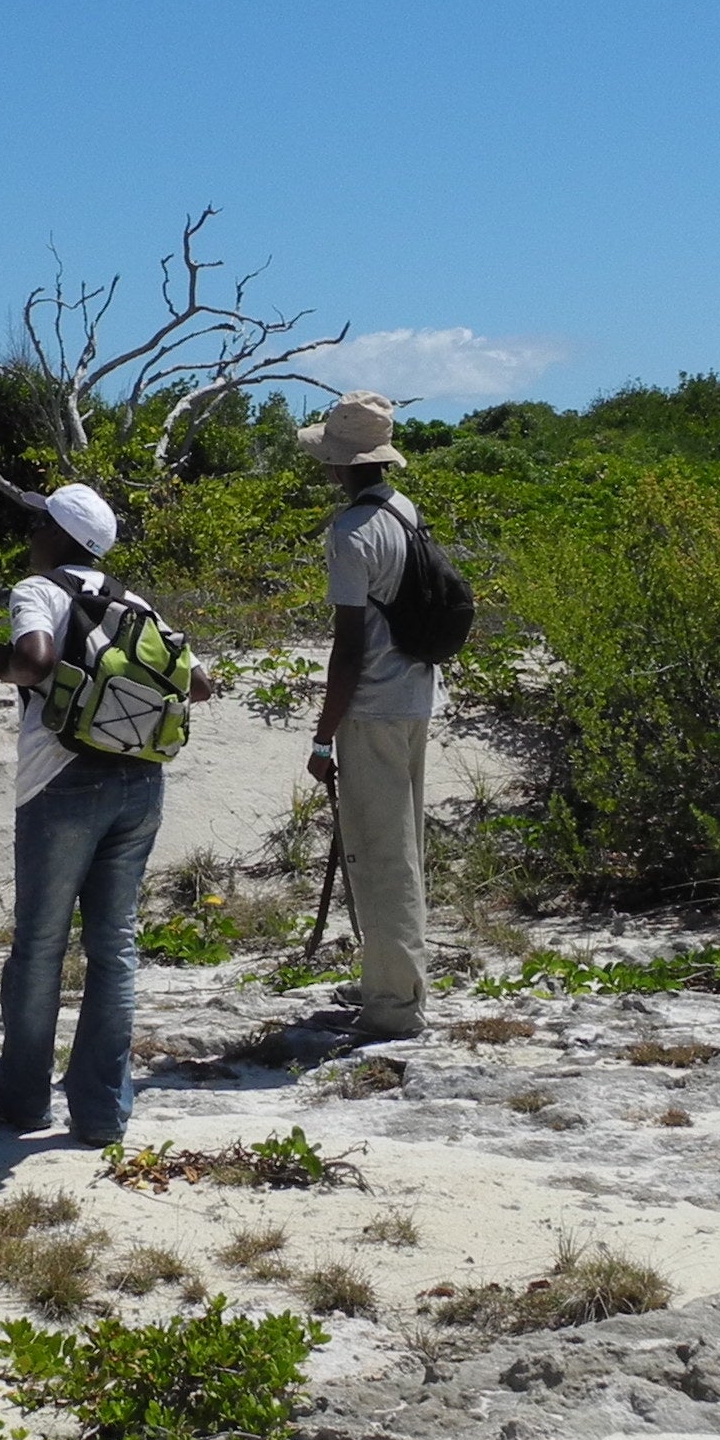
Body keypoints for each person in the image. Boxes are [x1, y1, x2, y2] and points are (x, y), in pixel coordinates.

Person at [0, 483, 212, 1147]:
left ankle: (20, 1096)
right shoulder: (135, 603)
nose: (33, 530)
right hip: (141, 783)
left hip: (61, 781)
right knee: (115, 947)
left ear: (61, 535)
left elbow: (34, 659)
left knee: (40, 945)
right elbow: (201, 683)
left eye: (41, 520)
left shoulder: (38, 589)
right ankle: (101, 1113)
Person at [299, 392, 432, 1042]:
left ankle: (394, 1008)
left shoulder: (351, 533)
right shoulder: (405, 513)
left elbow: (347, 648)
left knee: (381, 857)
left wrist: (324, 737)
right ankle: (393, 979)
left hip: (373, 707)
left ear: (339, 463)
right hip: (414, 698)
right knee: (400, 849)